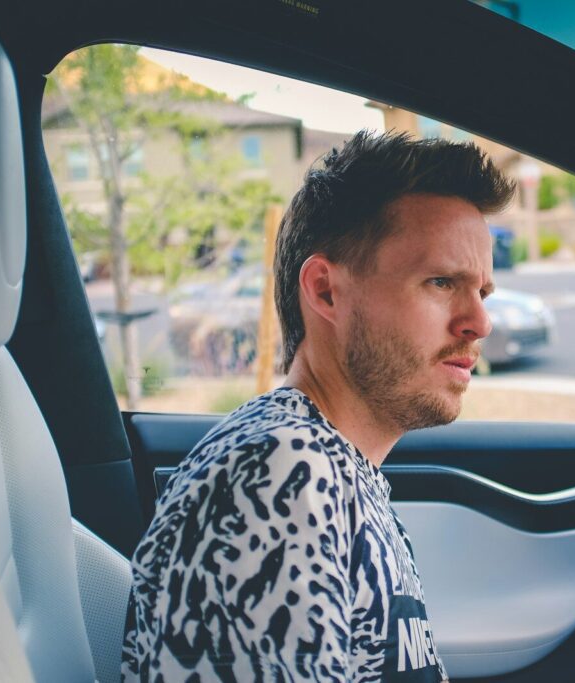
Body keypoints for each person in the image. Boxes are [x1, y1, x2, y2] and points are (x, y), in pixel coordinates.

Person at [121, 130, 515, 682]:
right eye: (441, 281)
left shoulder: (333, 467)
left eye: (483, 293)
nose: (479, 322)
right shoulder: (277, 476)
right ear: (327, 291)